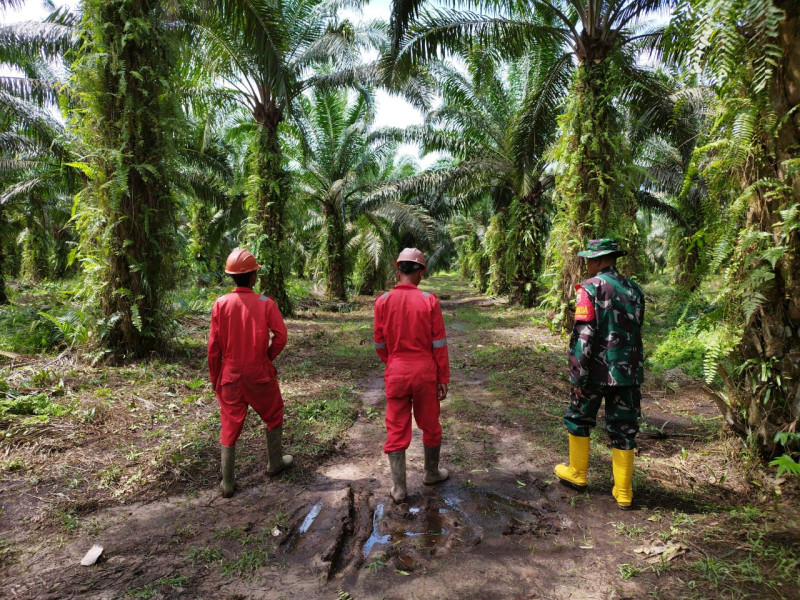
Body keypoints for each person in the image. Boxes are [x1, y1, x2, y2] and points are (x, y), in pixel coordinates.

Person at [554, 238, 645, 510]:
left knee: (578, 418)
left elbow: (584, 336)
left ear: (597, 260)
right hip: (628, 372)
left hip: (595, 371)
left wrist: (577, 376)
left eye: (588, 260)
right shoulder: (634, 289)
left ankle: (578, 474)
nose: (587, 264)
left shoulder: (590, 288)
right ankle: (624, 491)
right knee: (624, 428)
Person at [208, 248, 293, 498]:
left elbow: (213, 349)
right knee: (273, 414)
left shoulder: (220, 304)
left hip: (231, 375)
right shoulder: (266, 303)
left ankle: (227, 482)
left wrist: (215, 379)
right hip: (259, 373)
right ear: (254, 276)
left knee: (229, 424)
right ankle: (275, 463)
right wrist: (266, 357)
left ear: (231, 277)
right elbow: (281, 337)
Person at [373, 248, 450, 503]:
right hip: (425, 373)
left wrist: (393, 362)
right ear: (421, 273)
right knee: (430, 423)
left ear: (398, 272)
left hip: (396, 371)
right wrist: (442, 378)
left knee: (396, 427)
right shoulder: (429, 301)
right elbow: (439, 344)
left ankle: (399, 489)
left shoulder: (383, 301)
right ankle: (431, 472)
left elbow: (379, 343)